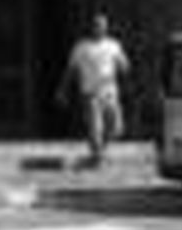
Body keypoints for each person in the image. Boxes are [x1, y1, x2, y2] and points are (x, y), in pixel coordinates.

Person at [55, 11, 130, 168]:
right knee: (96, 128)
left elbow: (124, 65)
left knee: (116, 127)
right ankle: (98, 158)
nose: (100, 28)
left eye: (103, 25)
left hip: (110, 92)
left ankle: (98, 153)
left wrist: (124, 65)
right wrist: (63, 90)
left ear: (106, 27)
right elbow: (71, 71)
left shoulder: (113, 45)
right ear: (91, 27)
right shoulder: (81, 47)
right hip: (90, 93)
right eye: (97, 25)